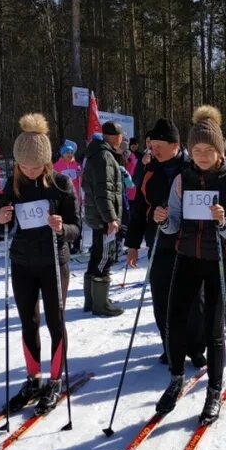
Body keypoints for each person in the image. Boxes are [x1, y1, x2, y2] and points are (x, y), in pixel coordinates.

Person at [155, 105, 226, 424]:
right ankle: (176, 379)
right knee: (175, 321)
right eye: (196, 149)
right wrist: (163, 221)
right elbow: (174, 223)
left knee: (214, 330)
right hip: (186, 258)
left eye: (209, 149)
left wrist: (223, 224)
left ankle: (213, 392)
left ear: (219, 150)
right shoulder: (182, 179)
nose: (203, 155)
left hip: (219, 261)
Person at [0, 113, 79, 415]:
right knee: (28, 322)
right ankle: (33, 379)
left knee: (55, 321)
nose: (29, 171)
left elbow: (76, 229)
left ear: (47, 161)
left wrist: (60, 227)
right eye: (23, 165)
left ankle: (54, 380)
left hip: (54, 262)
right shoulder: (12, 184)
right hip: (23, 262)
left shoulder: (61, 184)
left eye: (35, 165)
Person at [124, 117, 206, 366]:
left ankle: (196, 347)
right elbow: (138, 208)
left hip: (190, 244)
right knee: (162, 298)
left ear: (174, 145)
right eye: (151, 145)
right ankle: (171, 346)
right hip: (159, 243)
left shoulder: (193, 169)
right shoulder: (150, 170)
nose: (153, 150)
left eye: (158, 145)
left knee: (193, 300)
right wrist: (133, 245)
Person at [81, 121, 124, 316]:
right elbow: (103, 192)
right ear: (115, 136)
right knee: (104, 257)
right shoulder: (104, 156)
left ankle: (92, 300)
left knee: (96, 255)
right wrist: (111, 218)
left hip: (97, 215)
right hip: (103, 218)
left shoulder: (96, 154)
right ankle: (100, 304)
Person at [53, 140, 82, 254]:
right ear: (62, 154)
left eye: (71, 152)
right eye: (67, 152)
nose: (70, 154)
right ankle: (66, 244)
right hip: (62, 198)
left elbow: (81, 182)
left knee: (76, 220)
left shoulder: (77, 165)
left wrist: (81, 175)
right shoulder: (56, 166)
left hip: (75, 197)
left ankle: (77, 244)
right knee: (65, 221)